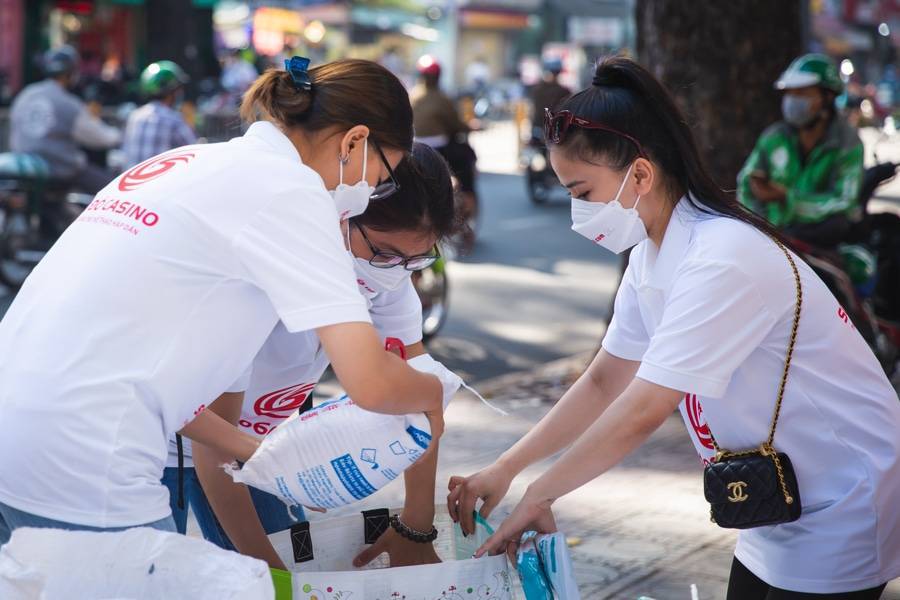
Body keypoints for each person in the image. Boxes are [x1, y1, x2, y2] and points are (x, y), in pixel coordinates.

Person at [448, 57, 900, 598]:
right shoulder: (651, 254)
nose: (576, 212)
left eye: (582, 193)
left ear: (640, 174)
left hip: (843, 495)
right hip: (773, 497)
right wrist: (507, 468)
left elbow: (645, 408)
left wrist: (542, 492)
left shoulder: (721, 257)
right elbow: (604, 380)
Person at [0, 58, 447, 546]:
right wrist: (431, 394)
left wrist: (265, 457)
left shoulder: (191, 161)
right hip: (84, 453)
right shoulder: (292, 191)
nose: (371, 192)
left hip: (18, 422)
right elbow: (371, 383)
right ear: (354, 142)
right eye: (383, 176)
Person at [162, 143, 459, 570]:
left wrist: (416, 524)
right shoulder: (262, 287)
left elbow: (418, 404)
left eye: (416, 260)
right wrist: (275, 576)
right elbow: (211, 445)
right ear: (342, 214)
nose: (394, 272)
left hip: (259, 446)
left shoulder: (391, 286)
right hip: (161, 442)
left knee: (293, 568)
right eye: (382, 253)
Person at [738, 54, 864, 248]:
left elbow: (844, 201)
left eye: (802, 92)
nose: (792, 100)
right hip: (772, 234)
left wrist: (787, 198)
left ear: (827, 96)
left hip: (819, 238)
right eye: (789, 93)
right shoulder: (774, 138)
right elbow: (747, 185)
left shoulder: (848, 143)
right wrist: (760, 226)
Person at [9, 45, 121, 193]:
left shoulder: (26, 94)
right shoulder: (68, 103)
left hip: (23, 166)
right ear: (71, 73)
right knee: (112, 189)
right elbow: (99, 137)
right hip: (58, 170)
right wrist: (119, 135)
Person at [411, 55, 478, 249]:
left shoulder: (411, 96)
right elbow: (455, 125)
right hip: (442, 149)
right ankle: (466, 212)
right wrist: (470, 127)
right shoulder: (443, 99)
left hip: (413, 148)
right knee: (467, 165)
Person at [122, 60, 197, 168]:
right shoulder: (173, 120)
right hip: (162, 178)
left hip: (133, 178)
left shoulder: (134, 117)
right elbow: (196, 152)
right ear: (172, 91)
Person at [529, 57, 570, 133]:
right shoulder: (564, 91)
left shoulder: (538, 89)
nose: (553, 76)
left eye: (555, 73)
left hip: (546, 129)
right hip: (549, 129)